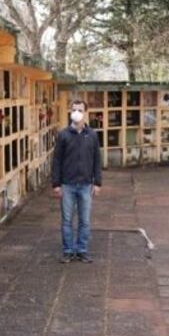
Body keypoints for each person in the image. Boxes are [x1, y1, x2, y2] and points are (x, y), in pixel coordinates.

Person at [52, 99, 102, 263]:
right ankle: (67, 251)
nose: (76, 113)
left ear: (85, 112)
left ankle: (81, 250)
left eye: (80, 110)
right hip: (67, 184)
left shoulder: (92, 135)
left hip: (86, 184)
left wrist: (97, 182)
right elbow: (57, 160)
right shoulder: (63, 135)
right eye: (74, 109)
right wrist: (56, 184)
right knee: (66, 220)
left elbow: (97, 160)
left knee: (85, 221)